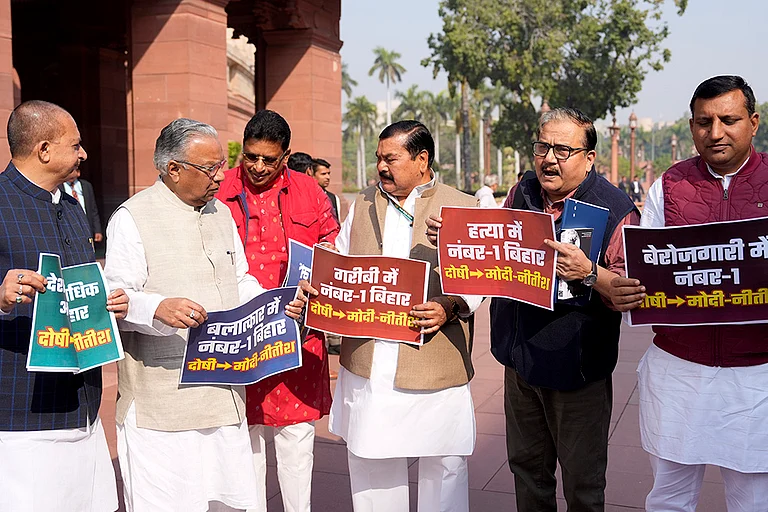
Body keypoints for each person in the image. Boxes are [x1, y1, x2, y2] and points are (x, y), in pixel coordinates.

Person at [104, 118, 309, 512]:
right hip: (162, 404)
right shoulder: (133, 217)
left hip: (223, 394)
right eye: (209, 168)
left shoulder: (219, 213)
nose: (221, 177)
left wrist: (274, 304)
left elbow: (240, 279)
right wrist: (157, 308)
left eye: (220, 165)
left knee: (228, 502)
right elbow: (118, 296)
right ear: (174, 169)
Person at [459, 107, 638, 511]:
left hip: (576, 370)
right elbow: (493, 250)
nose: (549, 158)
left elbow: (630, 291)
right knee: (527, 471)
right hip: (519, 360)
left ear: (589, 157)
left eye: (562, 149)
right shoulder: (521, 192)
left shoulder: (614, 207)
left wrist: (590, 272)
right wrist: (454, 237)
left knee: (583, 484)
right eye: (542, 147)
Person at [610, 75, 768, 511]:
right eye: (703, 122)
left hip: (756, 376)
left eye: (729, 119)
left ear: (753, 123)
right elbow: (644, 264)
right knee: (670, 497)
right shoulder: (670, 185)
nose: (715, 132)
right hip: (681, 370)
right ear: (691, 126)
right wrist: (627, 290)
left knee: (753, 499)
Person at [329, 120, 481, 512]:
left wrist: (448, 306)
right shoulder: (361, 203)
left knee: (443, 463)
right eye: (378, 158)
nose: (381, 167)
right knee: (371, 457)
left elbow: (482, 279)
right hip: (371, 360)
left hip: (433, 356)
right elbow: (340, 260)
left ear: (421, 159)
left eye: (390, 158)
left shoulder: (462, 205)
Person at [0, 100, 129, 512]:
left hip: (84, 402)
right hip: (23, 410)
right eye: (75, 145)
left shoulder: (71, 207)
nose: (83, 154)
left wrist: (106, 300)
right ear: (43, 150)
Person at [216, 109, 339, 512]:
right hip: (239, 334)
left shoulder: (310, 191)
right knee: (241, 437)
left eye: (269, 159)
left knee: (297, 435)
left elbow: (331, 248)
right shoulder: (219, 188)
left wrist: (317, 285)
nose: (257, 167)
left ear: (286, 156)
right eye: (251, 157)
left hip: (297, 334)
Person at [62, 168, 103, 242]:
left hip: (86, 226)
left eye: (72, 171)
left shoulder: (86, 186)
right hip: (68, 228)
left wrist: (97, 230)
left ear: (78, 173)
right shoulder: (59, 187)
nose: (70, 175)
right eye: (68, 171)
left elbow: (93, 209)